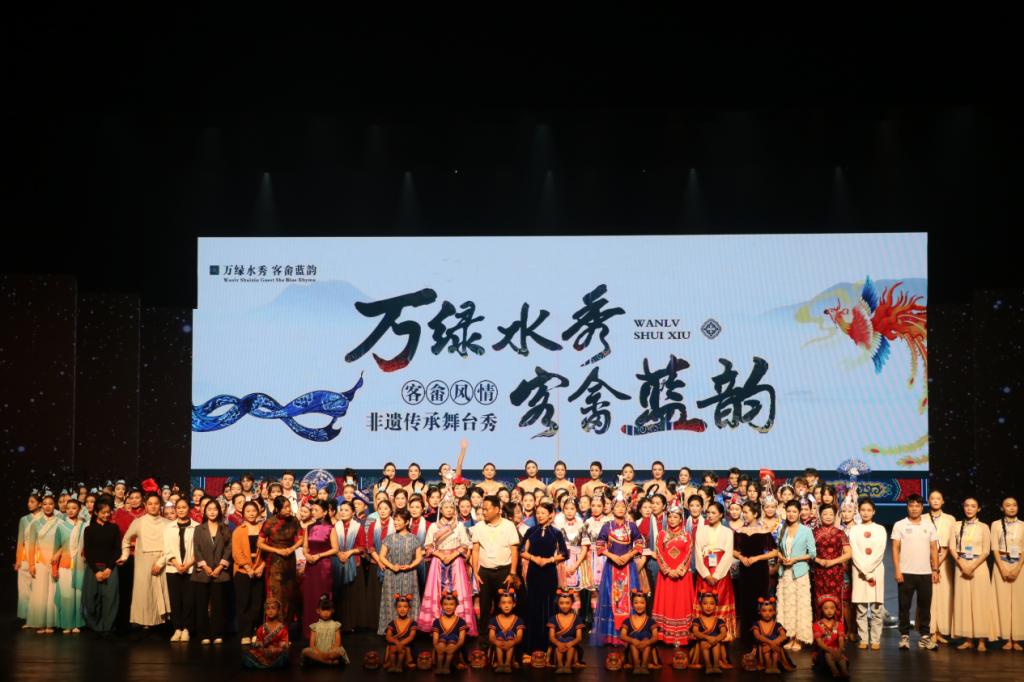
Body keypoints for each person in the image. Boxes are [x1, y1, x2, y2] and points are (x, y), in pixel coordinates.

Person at [417, 493, 477, 635]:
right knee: (437, 591)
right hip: (438, 562)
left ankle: (458, 624)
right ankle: (436, 623)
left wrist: (452, 556)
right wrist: (441, 556)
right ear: (441, 509)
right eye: (446, 508)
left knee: (457, 590)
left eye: (451, 508)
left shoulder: (459, 526)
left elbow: (465, 545)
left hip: (456, 562)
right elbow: (428, 546)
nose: (449, 510)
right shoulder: (433, 526)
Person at [891, 493, 939, 650]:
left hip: (925, 573)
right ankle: (904, 636)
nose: (914, 508)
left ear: (922, 507)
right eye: (911, 505)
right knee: (904, 606)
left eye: (917, 506)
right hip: (905, 572)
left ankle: (924, 637)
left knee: (925, 607)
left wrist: (935, 569)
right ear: (907, 507)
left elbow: (934, 549)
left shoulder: (929, 525)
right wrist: (897, 570)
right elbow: (895, 549)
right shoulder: (899, 525)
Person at [117, 491, 171, 628]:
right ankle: (144, 621)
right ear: (145, 505)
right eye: (150, 504)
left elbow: (171, 547)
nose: (153, 506)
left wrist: (160, 563)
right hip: (143, 561)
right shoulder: (138, 522)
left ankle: (161, 621)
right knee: (144, 591)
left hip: (162, 560)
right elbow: (126, 540)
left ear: (160, 505)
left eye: (156, 503)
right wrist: (124, 556)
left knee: (161, 591)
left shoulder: (167, 523)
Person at [951, 496, 998, 650]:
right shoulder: (956, 525)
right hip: (961, 566)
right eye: (967, 505)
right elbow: (952, 547)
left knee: (980, 602)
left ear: (978, 509)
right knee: (964, 602)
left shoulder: (984, 527)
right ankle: (968, 639)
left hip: (979, 567)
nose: (969, 509)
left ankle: (982, 640)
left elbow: (986, 551)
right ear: (963, 507)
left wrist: (972, 566)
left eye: (973, 506)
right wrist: (962, 565)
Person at [520, 501, 568, 654]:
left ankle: (547, 646)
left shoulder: (556, 532)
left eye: (543, 513)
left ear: (551, 514)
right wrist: (534, 558)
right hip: (533, 572)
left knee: (548, 606)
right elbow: (522, 550)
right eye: (538, 513)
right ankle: (531, 645)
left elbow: (564, 554)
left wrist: (549, 560)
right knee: (532, 605)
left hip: (549, 572)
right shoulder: (531, 531)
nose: (540, 515)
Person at [732, 501, 777, 650]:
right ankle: (747, 639)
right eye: (743, 512)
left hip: (760, 571)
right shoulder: (739, 531)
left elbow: (774, 552)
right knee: (745, 603)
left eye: (746, 512)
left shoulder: (764, 531)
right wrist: (741, 557)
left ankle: (761, 636)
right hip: (745, 571)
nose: (744, 514)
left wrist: (757, 558)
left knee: (759, 601)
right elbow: (733, 550)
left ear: (755, 514)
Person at [471, 495, 521, 628]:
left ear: (497, 509)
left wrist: (512, 573)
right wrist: (475, 572)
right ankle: (484, 635)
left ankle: (503, 632)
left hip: (504, 572)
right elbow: (475, 550)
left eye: (486, 509)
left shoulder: (509, 525)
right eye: (483, 509)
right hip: (484, 572)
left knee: (504, 604)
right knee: (484, 605)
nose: (484, 512)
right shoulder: (479, 526)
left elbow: (514, 551)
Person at [652, 502, 695, 646]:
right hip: (666, 576)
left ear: (681, 519)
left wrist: (679, 571)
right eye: (670, 516)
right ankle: (665, 636)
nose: (672, 520)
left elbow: (688, 554)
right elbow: (659, 553)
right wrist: (668, 570)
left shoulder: (687, 536)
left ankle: (682, 636)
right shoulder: (661, 535)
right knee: (667, 603)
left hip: (682, 576)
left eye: (675, 517)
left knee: (681, 603)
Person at [693, 501, 737, 642]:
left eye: (713, 513)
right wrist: (706, 574)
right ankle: (703, 631)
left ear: (721, 515)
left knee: (721, 597)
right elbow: (697, 553)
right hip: (705, 569)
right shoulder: (701, 530)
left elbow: (728, 554)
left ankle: (723, 633)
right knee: (704, 598)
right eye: (708, 513)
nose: (710, 515)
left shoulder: (728, 532)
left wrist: (717, 575)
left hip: (721, 571)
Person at [257, 496, 304, 626]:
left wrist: (291, 548)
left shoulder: (294, 520)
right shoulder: (270, 522)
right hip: (275, 562)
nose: (289, 509)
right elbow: (260, 543)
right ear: (278, 509)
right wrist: (277, 550)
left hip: (290, 560)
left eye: (289, 506)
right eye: (285, 507)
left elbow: (301, 538)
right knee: (276, 594)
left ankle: (286, 627)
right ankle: (274, 626)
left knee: (290, 594)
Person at [376, 508, 424, 635]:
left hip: (409, 575)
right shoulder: (389, 538)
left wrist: (410, 565)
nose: (395, 523)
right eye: (394, 520)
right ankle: (391, 629)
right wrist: (392, 566)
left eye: (398, 520)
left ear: (407, 522)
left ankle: (409, 630)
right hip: (391, 575)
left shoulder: (414, 539)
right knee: (391, 600)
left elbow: (419, 557)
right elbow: (381, 556)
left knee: (409, 600)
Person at [776, 499, 816, 650]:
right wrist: (782, 558)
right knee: (787, 605)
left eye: (794, 511)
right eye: (789, 511)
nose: (791, 514)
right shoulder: (782, 529)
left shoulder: (806, 531)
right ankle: (789, 636)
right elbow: (777, 549)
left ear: (799, 513)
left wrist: (795, 559)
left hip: (800, 573)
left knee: (800, 605)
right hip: (785, 573)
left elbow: (812, 553)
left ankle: (799, 638)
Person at [192, 498, 231, 645]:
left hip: (220, 573)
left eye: (215, 509)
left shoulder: (225, 528)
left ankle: (218, 633)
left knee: (218, 604)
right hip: (203, 572)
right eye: (209, 509)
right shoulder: (198, 529)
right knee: (201, 604)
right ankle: (204, 634)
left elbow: (229, 549)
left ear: (219, 511)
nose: (212, 512)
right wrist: (205, 566)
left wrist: (220, 566)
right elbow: (196, 549)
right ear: (204, 511)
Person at [849, 497, 886, 650]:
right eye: (863, 510)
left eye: (869, 510)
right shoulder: (854, 529)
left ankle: (876, 639)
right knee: (861, 608)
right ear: (859, 511)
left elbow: (880, 552)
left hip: (876, 570)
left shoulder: (880, 529)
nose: (865, 513)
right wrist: (864, 571)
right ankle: (863, 638)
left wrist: (869, 570)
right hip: (859, 571)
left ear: (874, 512)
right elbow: (854, 552)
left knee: (877, 607)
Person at [301, 499, 339, 639]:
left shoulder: (330, 528)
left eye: (316, 510)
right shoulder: (309, 527)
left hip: (323, 566)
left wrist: (319, 556)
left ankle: (325, 633)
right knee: (309, 597)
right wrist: (307, 555)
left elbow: (335, 549)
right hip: (310, 566)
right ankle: (309, 632)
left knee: (322, 596)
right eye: (312, 510)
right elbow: (305, 547)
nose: (313, 512)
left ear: (324, 512)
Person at [82, 500, 120, 636]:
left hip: (110, 568)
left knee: (110, 598)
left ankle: (107, 626)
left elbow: (117, 550)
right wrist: (96, 571)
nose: (106, 515)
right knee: (91, 598)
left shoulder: (114, 528)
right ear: (96, 513)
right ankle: (95, 626)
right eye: (103, 512)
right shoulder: (89, 530)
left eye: (108, 512)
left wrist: (109, 568)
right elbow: (87, 552)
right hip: (93, 568)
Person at [25, 493, 61, 633]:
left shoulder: (59, 522)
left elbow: (63, 543)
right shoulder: (35, 523)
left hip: (55, 561)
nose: (47, 506)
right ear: (41, 505)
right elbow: (31, 546)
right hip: (40, 561)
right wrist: (31, 564)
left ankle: (51, 623)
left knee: (52, 592)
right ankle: (40, 623)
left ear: (54, 505)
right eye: (45, 504)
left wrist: (57, 555)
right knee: (40, 593)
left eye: (50, 504)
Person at [992, 496, 1023, 650]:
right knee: (1002, 602)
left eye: (1014, 505)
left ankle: (1017, 638)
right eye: (1008, 505)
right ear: (1002, 508)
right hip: (1001, 564)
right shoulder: (996, 524)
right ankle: (1006, 638)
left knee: (1018, 603)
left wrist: (1017, 568)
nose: (1011, 508)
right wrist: (1003, 568)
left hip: (1019, 566)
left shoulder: (1023, 525)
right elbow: (994, 548)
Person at [164, 497, 198, 642]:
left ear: (188, 508)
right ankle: (177, 628)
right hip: (173, 569)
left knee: (189, 600)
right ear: (175, 510)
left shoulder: (197, 527)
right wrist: (177, 564)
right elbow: (166, 548)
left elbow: (198, 549)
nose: (181, 510)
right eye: (178, 508)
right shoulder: (169, 527)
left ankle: (187, 628)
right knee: (175, 600)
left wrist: (188, 565)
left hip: (190, 569)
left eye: (184, 507)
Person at [231, 500, 264, 644]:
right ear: (243, 514)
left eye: (254, 511)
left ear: (258, 512)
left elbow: (267, 551)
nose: (251, 513)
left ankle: (256, 631)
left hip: (259, 570)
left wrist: (261, 567)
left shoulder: (263, 529)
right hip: (243, 571)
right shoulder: (239, 530)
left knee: (257, 603)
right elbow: (236, 552)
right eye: (248, 511)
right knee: (244, 603)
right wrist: (248, 568)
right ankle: (245, 633)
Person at [331, 501, 368, 632]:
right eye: (341, 510)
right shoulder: (335, 527)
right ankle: (339, 623)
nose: (343, 512)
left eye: (346, 510)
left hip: (353, 562)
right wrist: (339, 553)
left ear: (353, 513)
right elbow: (331, 545)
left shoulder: (358, 527)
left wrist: (349, 553)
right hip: (337, 561)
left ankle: (352, 623)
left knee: (352, 595)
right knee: (339, 595)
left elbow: (362, 547)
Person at [52, 498, 87, 634]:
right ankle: (67, 624)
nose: (71, 511)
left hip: (80, 565)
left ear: (79, 510)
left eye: (74, 508)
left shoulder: (84, 526)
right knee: (66, 595)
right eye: (68, 508)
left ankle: (78, 623)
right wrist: (54, 569)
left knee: (78, 595)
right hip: (65, 565)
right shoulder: (60, 526)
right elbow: (56, 549)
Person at [925, 489, 956, 643]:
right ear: (928, 501)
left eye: (938, 498)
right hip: (926, 561)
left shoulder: (950, 519)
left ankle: (942, 631)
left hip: (944, 560)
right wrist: (932, 561)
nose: (936, 500)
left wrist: (940, 560)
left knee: (944, 595)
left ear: (943, 501)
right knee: (928, 597)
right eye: (932, 498)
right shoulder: (923, 518)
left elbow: (952, 542)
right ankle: (930, 631)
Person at [813, 505, 851, 617]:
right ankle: (820, 626)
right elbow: (807, 553)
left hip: (836, 573)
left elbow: (849, 553)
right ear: (820, 516)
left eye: (831, 514)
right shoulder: (813, 533)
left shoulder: (840, 533)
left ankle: (837, 627)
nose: (828, 516)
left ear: (835, 516)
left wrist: (832, 562)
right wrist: (818, 560)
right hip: (819, 572)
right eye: (825, 514)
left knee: (836, 600)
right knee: (819, 601)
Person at [555, 497, 592, 608]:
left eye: (572, 508)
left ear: (576, 510)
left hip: (578, 562)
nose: (569, 511)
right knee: (564, 593)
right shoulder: (558, 527)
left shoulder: (582, 526)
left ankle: (576, 618)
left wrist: (575, 565)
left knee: (576, 595)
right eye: (566, 508)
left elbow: (584, 548)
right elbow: (557, 548)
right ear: (563, 510)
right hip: (563, 562)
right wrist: (563, 565)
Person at [15, 492, 43, 625]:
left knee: (37, 588)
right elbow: (20, 540)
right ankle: (26, 616)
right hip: (25, 556)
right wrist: (18, 559)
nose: (29, 504)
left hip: (39, 556)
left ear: (39, 504)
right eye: (28, 502)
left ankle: (37, 616)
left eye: (32, 502)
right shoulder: (24, 519)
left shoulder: (45, 518)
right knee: (24, 589)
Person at [748, 597, 794, 673]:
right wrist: (770, 643)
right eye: (764, 611)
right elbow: (757, 635)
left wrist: (773, 644)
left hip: (775, 646)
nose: (767, 613)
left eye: (770, 610)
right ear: (759, 612)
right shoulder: (757, 624)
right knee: (765, 647)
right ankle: (768, 664)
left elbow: (783, 636)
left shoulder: (777, 624)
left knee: (775, 648)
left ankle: (775, 665)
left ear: (774, 612)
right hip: (762, 647)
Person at [301, 593, 349, 666]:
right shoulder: (315, 626)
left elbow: (338, 643)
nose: (326, 613)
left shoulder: (335, 625)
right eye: (323, 610)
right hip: (318, 652)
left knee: (339, 651)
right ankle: (327, 662)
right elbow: (312, 645)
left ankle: (320, 660)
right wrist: (320, 653)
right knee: (305, 651)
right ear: (318, 611)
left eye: (328, 610)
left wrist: (329, 652)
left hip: (331, 652)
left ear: (332, 610)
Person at [242, 597, 290, 669]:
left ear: (278, 610)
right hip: (264, 653)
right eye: (268, 608)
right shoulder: (261, 629)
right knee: (246, 656)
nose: (270, 611)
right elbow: (259, 643)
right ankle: (268, 665)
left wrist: (275, 649)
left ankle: (263, 665)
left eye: (273, 608)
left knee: (284, 657)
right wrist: (261, 647)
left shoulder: (282, 629)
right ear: (265, 611)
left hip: (277, 654)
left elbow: (284, 645)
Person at [619, 592, 659, 675]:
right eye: (636, 602)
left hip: (647, 649)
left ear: (646, 604)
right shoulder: (627, 620)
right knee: (634, 637)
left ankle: (644, 665)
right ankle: (637, 666)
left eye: (642, 602)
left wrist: (647, 642)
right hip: (633, 650)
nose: (639, 605)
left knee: (646, 638)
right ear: (632, 604)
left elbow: (655, 637)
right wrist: (633, 641)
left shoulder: (651, 621)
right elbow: (622, 636)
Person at [690, 592, 729, 674]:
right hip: (702, 645)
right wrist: (708, 638)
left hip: (715, 642)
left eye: (711, 603)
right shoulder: (697, 620)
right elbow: (696, 632)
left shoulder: (719, 621)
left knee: (716, 644)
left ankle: (716, 666)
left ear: (716, 606)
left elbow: (723, 633)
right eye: (705, 603)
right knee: (703, 642)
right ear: (700, 605)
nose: (708, 606)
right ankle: (708, 666)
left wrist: (714, 640)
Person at [431, 591, 469, 674]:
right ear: (441, 606)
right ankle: (439, 666)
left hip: (454, 648)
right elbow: (435, 639)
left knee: (452, 640)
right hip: (441, 648)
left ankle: (446, 666)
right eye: (445, 604)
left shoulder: (461, 622)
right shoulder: (437, 621)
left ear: (456, 605)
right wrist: (437, 646)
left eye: (451, 604)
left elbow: (461, 640)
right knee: (441, 641)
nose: (448, 607)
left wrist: (454, 647)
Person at [547, 589, 584, 674]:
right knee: (560, 641)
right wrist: (558, 643)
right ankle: (560, 665)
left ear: (572, 604)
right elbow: (551, 637)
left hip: (571, 644)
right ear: (558, 604)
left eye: (567, 603)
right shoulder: (553, 618)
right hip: (558, 644)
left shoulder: (577, 619)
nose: (564, 606)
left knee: (570, 641)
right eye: (561, 603)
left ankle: (567, 665)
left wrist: (570, 643)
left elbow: (579, 638)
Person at [812, 595, 849, 678]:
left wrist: (839, 650)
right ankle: (835, 671)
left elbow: (841, 640)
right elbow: (819, 643)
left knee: (840, 655)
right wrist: (830, 650)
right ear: (821, 609)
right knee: (828, 653)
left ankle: (844, 671)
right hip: (823, 651)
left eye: (832, 608)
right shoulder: (816, 625)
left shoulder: (839, 624)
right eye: (826, 608)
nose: (829, 611)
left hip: (836, 650)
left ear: (835, 609)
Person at [488, 589, 525, 673]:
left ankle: (508, 664)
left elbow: (519, 637)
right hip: (499, 645)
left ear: (514, 604)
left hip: (513, 647)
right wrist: (497, 642)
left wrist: (511, 643)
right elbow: (491, 637)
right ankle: (500, 664)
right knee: (499, 636)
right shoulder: (494, 620)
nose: (506, 605)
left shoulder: (518, 620)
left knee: (510, 634)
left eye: (509, 603)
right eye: (503, 603)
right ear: (499, 605)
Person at [383, 593, 418, 672]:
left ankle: (399, 665)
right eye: (399, 607)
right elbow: (388, 636)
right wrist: (397, 643)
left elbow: (411, 637)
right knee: (392, 648)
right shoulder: (392, 623)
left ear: (409, 609)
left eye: (405, 607)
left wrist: (401, 644)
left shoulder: (413, 623)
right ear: (396, 609)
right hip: (395, 644)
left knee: (402, 649)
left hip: (406, 644)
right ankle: (393, 665)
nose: (402, 609)